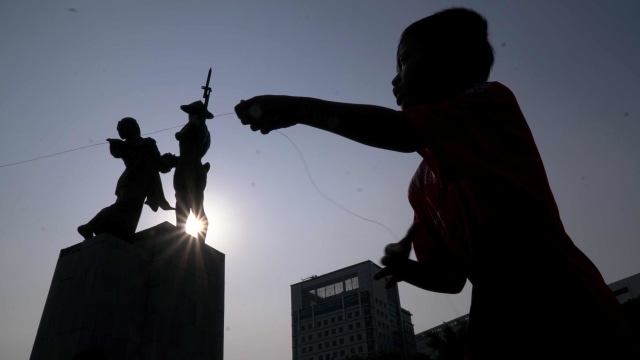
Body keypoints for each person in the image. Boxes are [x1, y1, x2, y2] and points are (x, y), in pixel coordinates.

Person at [234, 7, 639, 359]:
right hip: (499, 327)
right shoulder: (422, 182)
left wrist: (299, 108)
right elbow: (449, 278)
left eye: (405, 61)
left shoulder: (491, 104)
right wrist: (406, 270)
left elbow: (402, 132)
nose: (395, 79)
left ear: (454, 64)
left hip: (568, 310)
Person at [78, 117, 174, 242]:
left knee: (127, 210)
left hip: (127, 181)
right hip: (138, 182)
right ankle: (90, 226)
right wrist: (169, 162)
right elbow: (160, 165)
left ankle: (116, 233)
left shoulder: (125, 145)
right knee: (124, 208)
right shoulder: (147, 143)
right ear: (134, 128)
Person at [163, 100, 212, 243]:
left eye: (194, 112)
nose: (191, 115)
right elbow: (185, 153)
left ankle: (200, 241)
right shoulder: (190, 127)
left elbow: (197, 150)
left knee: (196, 207)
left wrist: (194, 130)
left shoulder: (201, 130)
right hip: (182, 169)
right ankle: (180, 236)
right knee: (181, 205)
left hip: (194, 170)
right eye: (191, 112)